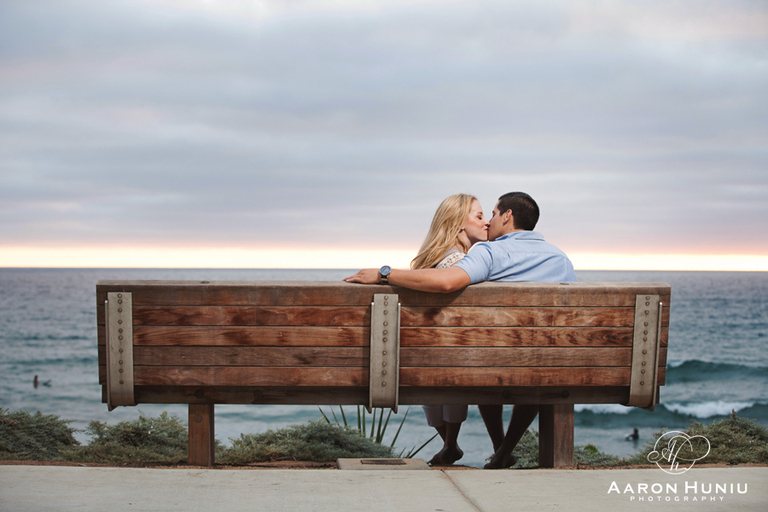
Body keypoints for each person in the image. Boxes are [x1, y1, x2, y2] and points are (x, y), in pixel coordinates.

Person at [344, 191, 577, 469]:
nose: (489, 221)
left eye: (492, 214)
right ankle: (503, 450)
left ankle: (492, 449)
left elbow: (447, 282)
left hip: (494, 364)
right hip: (553, 365)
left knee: (493, 361)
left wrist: (384, 274)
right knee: (539, 372)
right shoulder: (561, 259)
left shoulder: (490, 253)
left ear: (507, 216)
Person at [410, 193, 489, 465]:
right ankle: (452, 445)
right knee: (455, 364)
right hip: (452, 355)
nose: (487, 222)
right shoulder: (460, 264)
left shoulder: (427, 260)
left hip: (422, 355)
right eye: (479, 216)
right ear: (458, 223)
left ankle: (450, 446)